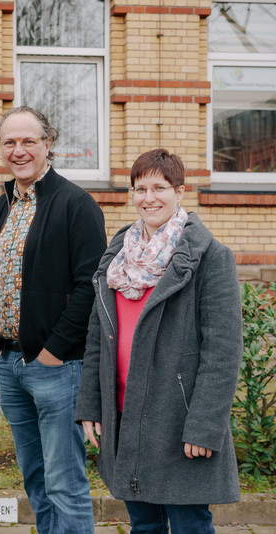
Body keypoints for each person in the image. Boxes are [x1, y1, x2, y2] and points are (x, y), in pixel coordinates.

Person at [76, 148, 242, 533]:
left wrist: (204, 427)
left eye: (159, 187)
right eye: (139, 188)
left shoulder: (210, 257)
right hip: (125, 416)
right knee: (144, 525)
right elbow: (97, 339)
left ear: (179, 191)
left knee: (189, 525)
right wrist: (90, 404)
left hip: (178, 422)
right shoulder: (116, 259)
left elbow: (223, 351)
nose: (148, 197)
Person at [0, 106, 106, 534]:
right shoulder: (0, 206)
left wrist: (53, 353)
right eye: (9, 142)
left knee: (65, 482)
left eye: (28, 141)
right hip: (9, 365)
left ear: (48, 144)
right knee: (36, 479)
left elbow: (91, 287)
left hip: (56, 367)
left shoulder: (76, 204)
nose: (18, 151)